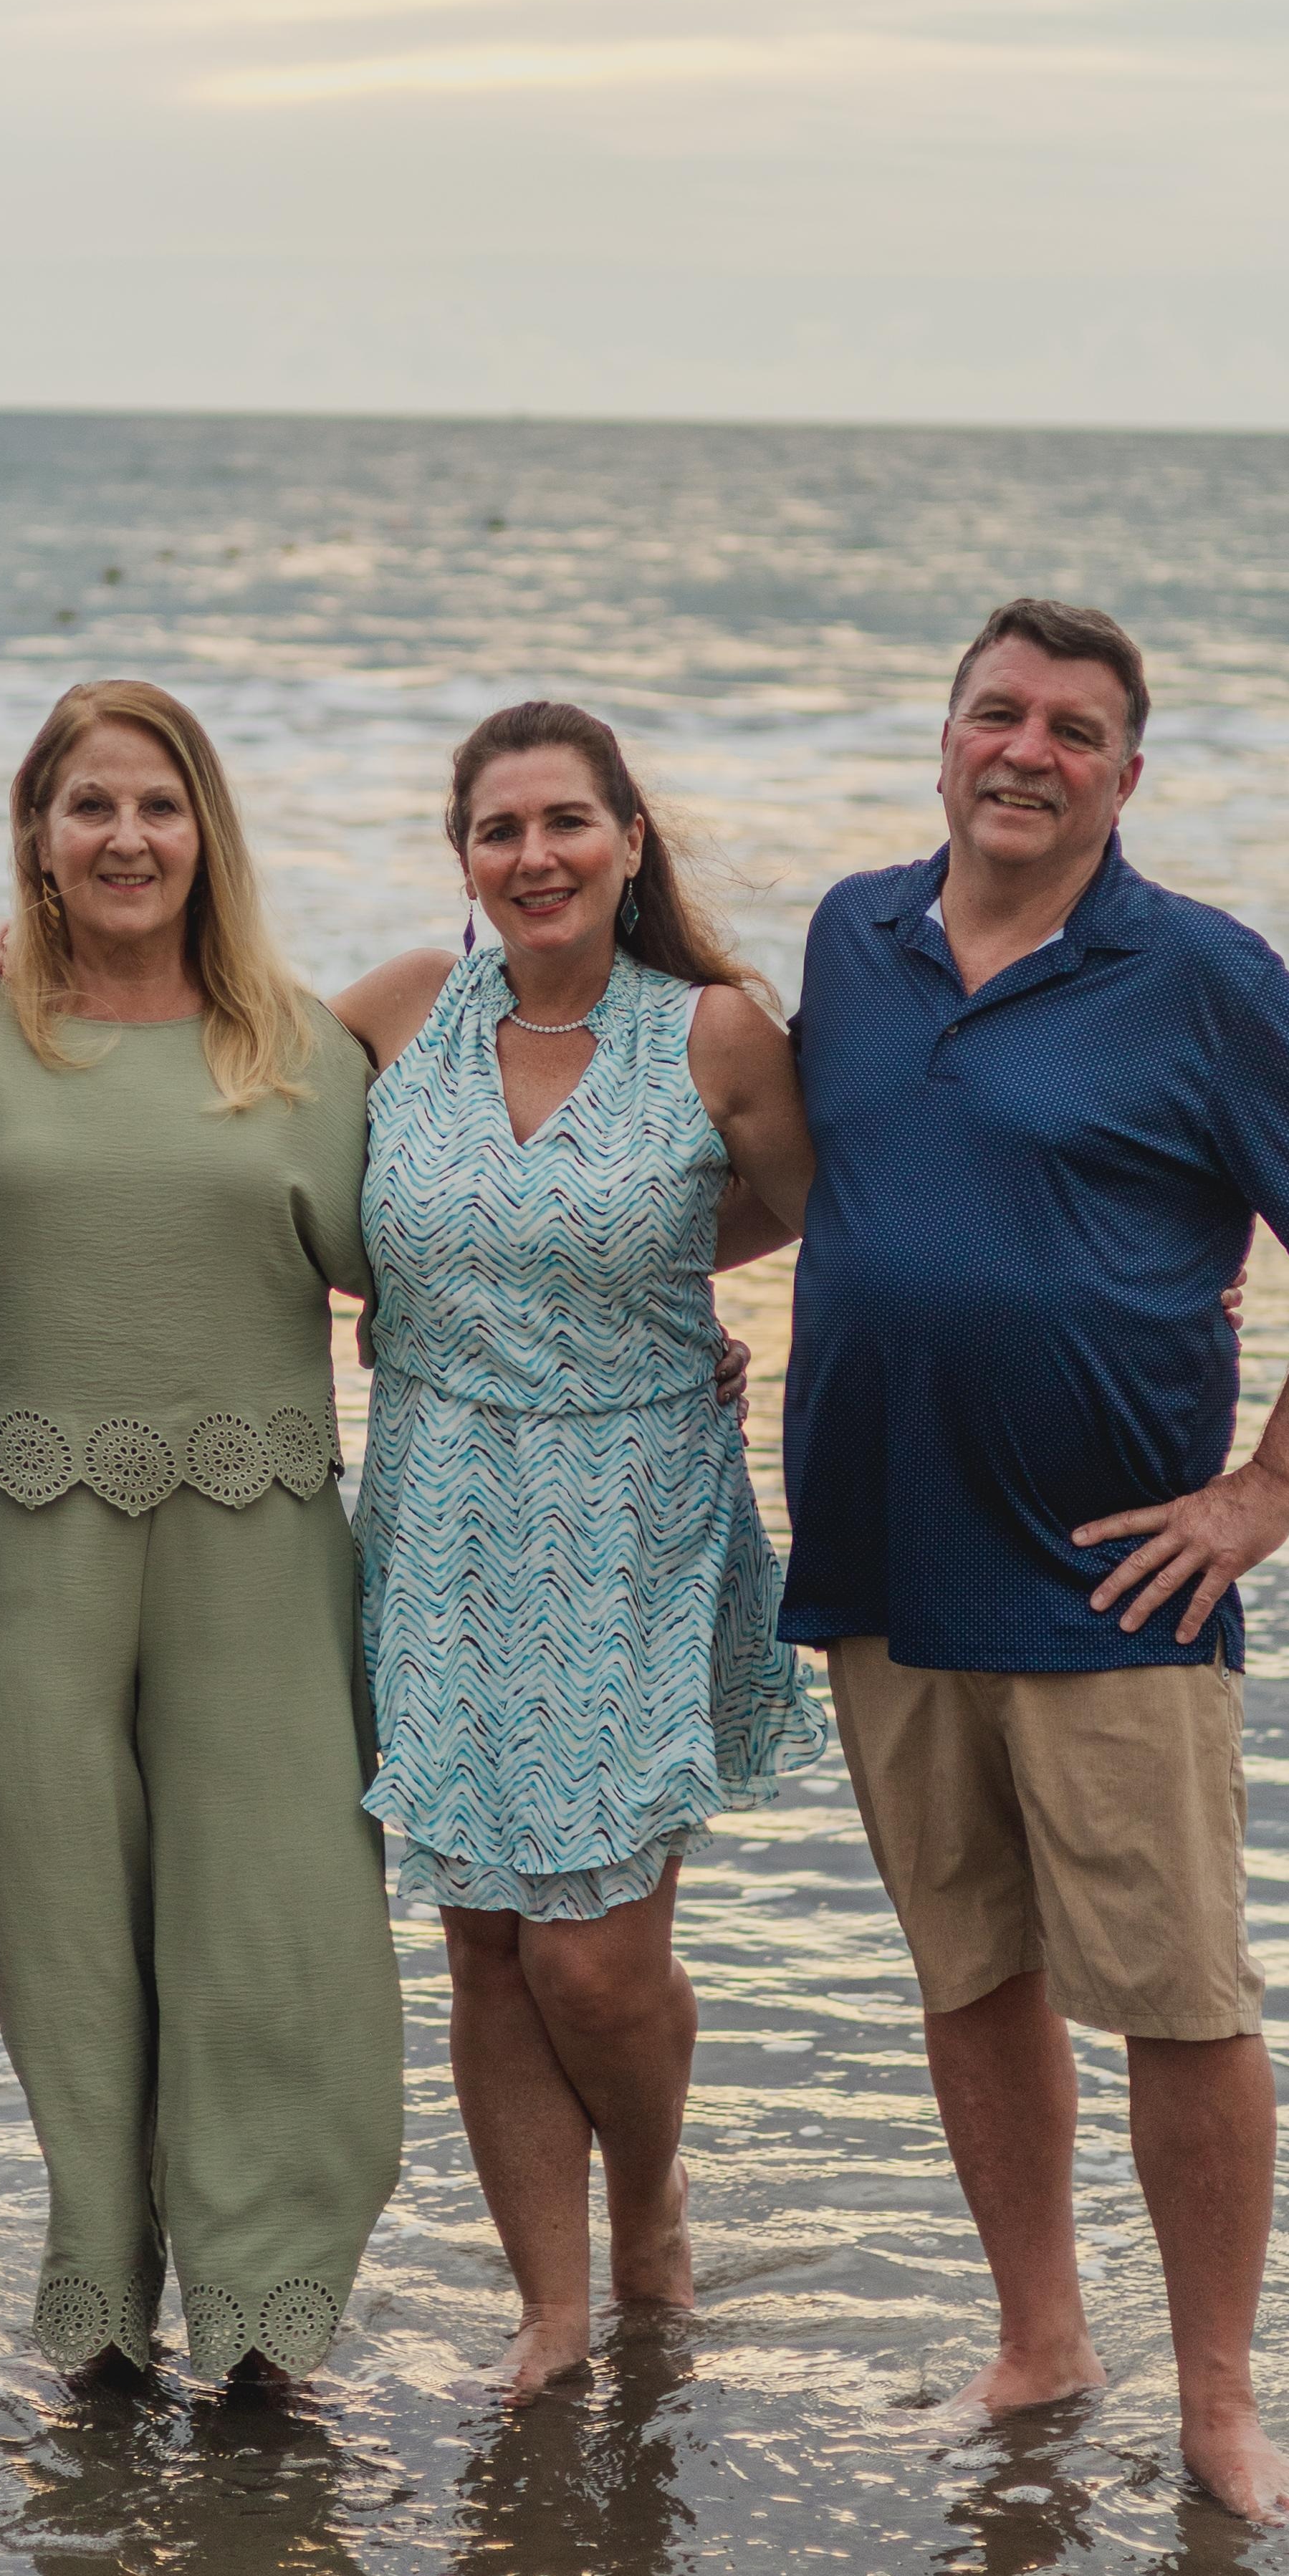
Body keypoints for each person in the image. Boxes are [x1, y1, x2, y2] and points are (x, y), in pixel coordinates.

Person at [778, 598, 1289, 2524]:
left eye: (1073, 728)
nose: (1026, 748)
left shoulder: (1201, 973)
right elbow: (824, 1171)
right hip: (887, 1558)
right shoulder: (852, 936)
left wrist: (1263, 1493)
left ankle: (1219, 2404)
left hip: (1107, 1582)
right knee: (967, 1971)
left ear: (1123, 777)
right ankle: (1038, 2337)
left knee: (1177, 1996)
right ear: (941, 741)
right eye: (997, 711)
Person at [0, 682, 402, 2387]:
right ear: (37, 837)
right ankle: (103, 2310)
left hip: (262, 1544)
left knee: (282, 1924)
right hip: (14, 1550)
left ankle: (267, 2320)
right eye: (88, 807)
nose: (126, 838)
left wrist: (679, 1328)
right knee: (64, 1936)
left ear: (209, 833)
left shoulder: (307, 1046)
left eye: (159, 806)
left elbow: (441, 1258)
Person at [332, 703, 823, 2403]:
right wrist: (4, 968)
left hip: (630, 1506)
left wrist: (646, 1299)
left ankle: (652, 2197)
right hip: (442, 1503)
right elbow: (212, 1112)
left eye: (565, 823)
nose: (532, 856)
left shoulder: (715, 1033)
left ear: (628, 840)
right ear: (462, 858)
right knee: (482, 1937)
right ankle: (551, 2304)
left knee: (592, 1952)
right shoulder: (400, 1013)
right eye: (497, 829)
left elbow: (810, 1208)